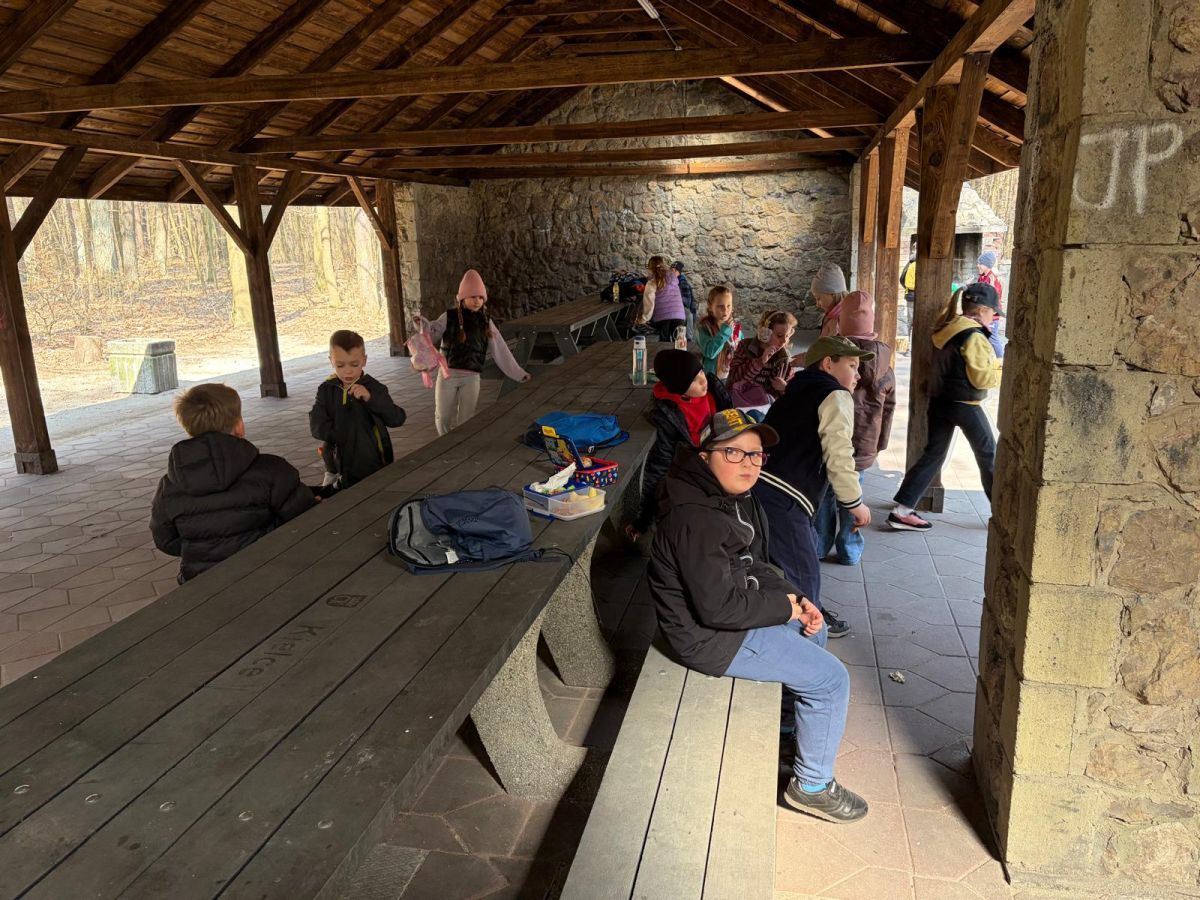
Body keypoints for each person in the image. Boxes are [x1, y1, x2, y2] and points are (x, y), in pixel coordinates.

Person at [648, 409, 867, 823]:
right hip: (708, 636)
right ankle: (812, 786)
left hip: (730, 612)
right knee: (831, 680)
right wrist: (784, 607)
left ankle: (786, 728)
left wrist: (797, 599)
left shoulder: (731, 496)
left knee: (813, 631)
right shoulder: (696, 517)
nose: (748, 464)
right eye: (733, 453)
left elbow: (754, 563)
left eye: (755, 455)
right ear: (704, 456)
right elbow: (717, 608)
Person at [752, 336, 876, 639]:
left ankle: (796, 613)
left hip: (760, 484)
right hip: (786, 494)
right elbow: (839, 453)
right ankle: (808, 635)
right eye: (852, 366)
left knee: (782, 558)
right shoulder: (835, 395)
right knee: (803, 568)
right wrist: (854, 502)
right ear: (828, 364)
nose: (858, 375)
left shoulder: (797, 389)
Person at [151, 384, 316, 582]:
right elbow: (304, 518)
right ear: (239, 426)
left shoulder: (169, 486)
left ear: (188, 428)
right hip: (271, 575)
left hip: (201, 583)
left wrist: (202, 548)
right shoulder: (271, 470)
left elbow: (164, 540)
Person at [889, 283, 1003, 531]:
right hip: (965, 404)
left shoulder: (947, 328)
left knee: (933, 454)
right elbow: (981, 378)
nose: (993, 318)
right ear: (982, 310)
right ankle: (1003, 514)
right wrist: (997, 370)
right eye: (993, 313)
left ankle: (902, 510)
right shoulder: (974, 336)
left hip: (939, 400)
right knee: (988, 455)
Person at [814, 292, 896, 566]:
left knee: (826, 492)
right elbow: (889, 407)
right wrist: (880, 443)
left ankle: (820, 544)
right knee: (853, 494)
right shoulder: (885, 364)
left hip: (830, 441)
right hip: (864, 442)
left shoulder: (834, 359)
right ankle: (849, 549)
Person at [626, 348, 733, 542]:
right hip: (695, 473)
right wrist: (643, 520)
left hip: (724, 460)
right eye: (694, 380)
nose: (703, 381)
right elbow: (658, 467)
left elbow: (733, 424)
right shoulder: (669, 415)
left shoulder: (714, 393)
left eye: (701, 372)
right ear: (678, 387)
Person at [415, 269, 531, 436]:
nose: (477, 301)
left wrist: (518, 373)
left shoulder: (486, 322)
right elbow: (432, 334)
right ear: (462, 298)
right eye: (473, 296)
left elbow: (500, 349)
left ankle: (461, 446)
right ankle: (445, 443)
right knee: (443, 416)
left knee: (467, 420)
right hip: (448, 376)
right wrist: (424, 326)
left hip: (471, 378)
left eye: (480, 297)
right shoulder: (449, 317)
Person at [309, 329, 408, 488]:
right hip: (337, 467)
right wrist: (340, 436)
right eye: (340, 365)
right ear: (331, 361)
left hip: (372, 463)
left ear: (364, 360)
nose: (348, 370)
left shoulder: (374, 388)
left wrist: (370, 399)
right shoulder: (326, 390)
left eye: (354, 364)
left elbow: (397, 418)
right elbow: (316, 425)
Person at [727, 309, 796, 407]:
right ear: (764, 333)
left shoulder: (784, 358)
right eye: (779, 336)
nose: (784, 341)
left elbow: (792, 392)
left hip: (766, 407)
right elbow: (735, 379)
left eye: (787, 336)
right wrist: (760, 362)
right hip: (741, 402)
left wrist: (785, 387)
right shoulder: (745, 346)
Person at [694, 284, 742, 380]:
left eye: (729, 305)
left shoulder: (735, 327)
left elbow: (741, 352)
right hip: (712, 379)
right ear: (710, 307)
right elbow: (710, 353)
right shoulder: (703, 328)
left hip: (731, 379)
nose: (725, 310)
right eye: (720, 306)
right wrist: (724, 332)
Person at [639, 255, 686, 343]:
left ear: (650, 268)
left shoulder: (652, 282)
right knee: (680, 344)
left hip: (663, 317)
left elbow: (649, 304)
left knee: (664, 344)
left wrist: (643, 320)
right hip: (679, 315)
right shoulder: (673, 278)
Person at [975, 251, 1006, 358]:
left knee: (993, 338)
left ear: (987, 265)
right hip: (983, 314)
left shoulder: (992, 279)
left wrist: (991, 287)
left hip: (991, 316)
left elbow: (994, 298)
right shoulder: (982, 277)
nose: (978, 265)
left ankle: (1001, 359)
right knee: (982, 336)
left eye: (980, 263)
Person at [811, 262, 849, 337]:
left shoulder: (843, 321)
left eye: (818, 298)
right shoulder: (830, 316)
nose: (817, 304)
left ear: (832, 294)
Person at [672, 261, 697, 342]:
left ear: (678, 272)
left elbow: (687, 300)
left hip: (681, 305)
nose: (672, 272)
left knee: (688, 314)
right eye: (671, 270)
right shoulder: (669, 281)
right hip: (672, 306)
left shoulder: (683, 283)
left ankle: (689, 338)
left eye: (674, 270)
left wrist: (678, 303)